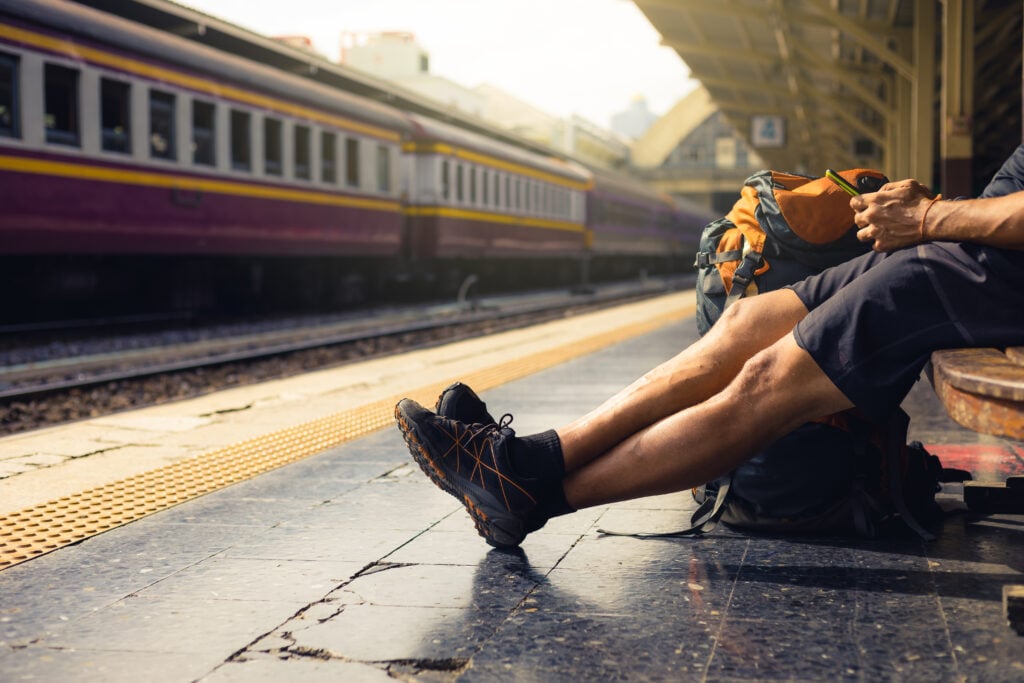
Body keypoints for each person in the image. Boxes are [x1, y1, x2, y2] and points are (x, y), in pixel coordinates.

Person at [395, 145, 1024, 549]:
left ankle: (535, 498)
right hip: (961, 245)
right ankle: (531, 459)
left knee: (767, 381)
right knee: (746, 322)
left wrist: (931, 218)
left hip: (987, 269)